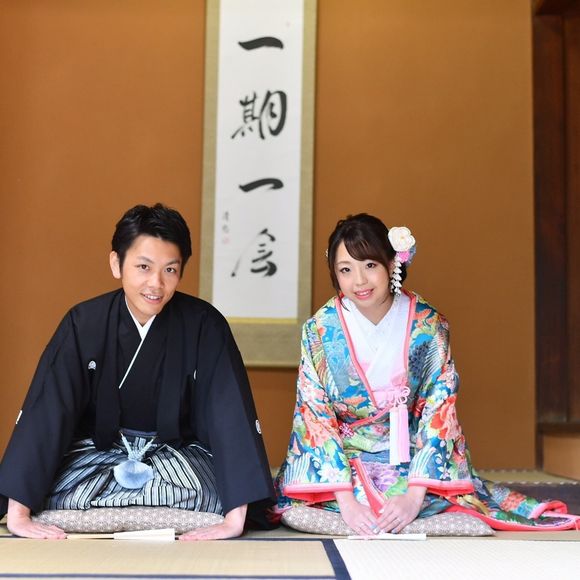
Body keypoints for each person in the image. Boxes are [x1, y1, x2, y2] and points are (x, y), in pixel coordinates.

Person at [275, 213, 578, 533]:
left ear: (392, 263)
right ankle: (366, 508)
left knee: (434, 498)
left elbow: (439, 408)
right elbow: (314, 414)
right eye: (346, 270)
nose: (359, 281)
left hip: (411, 454)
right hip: (345, 461)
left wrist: (413, 496)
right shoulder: (320, 330)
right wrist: (347, 502)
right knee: (306, 506)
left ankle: (413, 504)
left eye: (370, 265)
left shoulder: (428, 325)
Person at [0, 203, 275, 540]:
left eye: (170, 270)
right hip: (99, 456)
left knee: (208, 493)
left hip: (177, 460)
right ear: (116, 263)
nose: (156, 284)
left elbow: (228, 412)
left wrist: (234, 519)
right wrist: (19, 513)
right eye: (143, 267)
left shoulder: (205, 324)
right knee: (60, 488)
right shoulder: (83, 323)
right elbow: (48, 410)